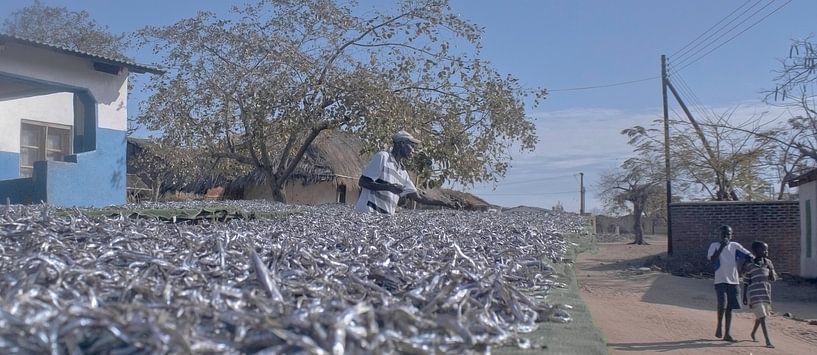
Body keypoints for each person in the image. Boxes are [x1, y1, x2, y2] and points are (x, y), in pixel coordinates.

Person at [354, 130, 458, 214]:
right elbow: (363, 182)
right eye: (411, 146)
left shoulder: (403, 173)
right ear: (402, 144)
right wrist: (389, 187)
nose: (413, 150)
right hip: (367, 214)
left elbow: (419, 197)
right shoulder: (383, 157)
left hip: (384, 219)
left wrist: (446, 203)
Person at [706, 225, 753, 342]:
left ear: (732, 235)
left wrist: (744, 267)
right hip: (720, 280)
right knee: (722, 304)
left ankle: (727, 333)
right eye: (724, 233)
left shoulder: (735, 246)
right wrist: (722, 246)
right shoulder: (715, 245)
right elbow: (712, 259)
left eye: (728, 233)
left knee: (730, 308)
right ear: (720, 235)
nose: (726, 235)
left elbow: (749, 256)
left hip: (734, 281)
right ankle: (719, 326)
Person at [742, 241, 778, 348]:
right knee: (762, 316)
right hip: (754, 294)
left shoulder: (768, 263)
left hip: (765, 293)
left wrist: (771, 270)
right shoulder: (750, 265)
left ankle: (753, 333)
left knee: (762, 315)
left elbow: (773, 279)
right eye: (763, 249)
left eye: (766, 249)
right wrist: (744, 296)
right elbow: (746, 281)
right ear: (756, 251)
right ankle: (768, 341)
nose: (766, 251)